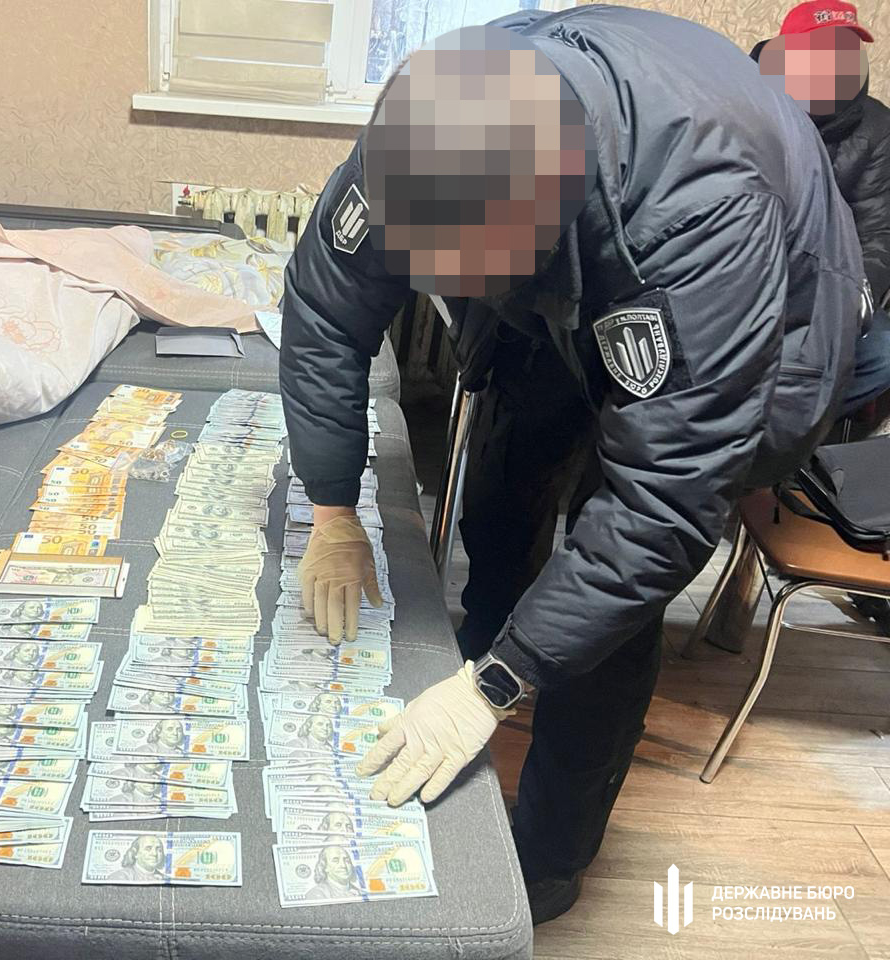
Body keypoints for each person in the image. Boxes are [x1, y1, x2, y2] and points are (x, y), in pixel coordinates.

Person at [280, 5, 863, 925]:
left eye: (472, 271)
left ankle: (549, 859)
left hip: (770, 311)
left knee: (611, 602)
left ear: (545, 227)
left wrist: (501, 683)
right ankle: (482, 657)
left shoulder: (698, 215)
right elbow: (324, 307)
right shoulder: (420, 131)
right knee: (503, 489)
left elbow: (660, 511)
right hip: (583, 262)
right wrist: (332, 509)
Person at [753, 1, 890, 421]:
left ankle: (778, 432)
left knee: (883, 351)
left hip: (826, 286)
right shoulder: (745, 104)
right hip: (747, 276)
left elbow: (877, 234)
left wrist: (850, 302)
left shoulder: (876, 127)